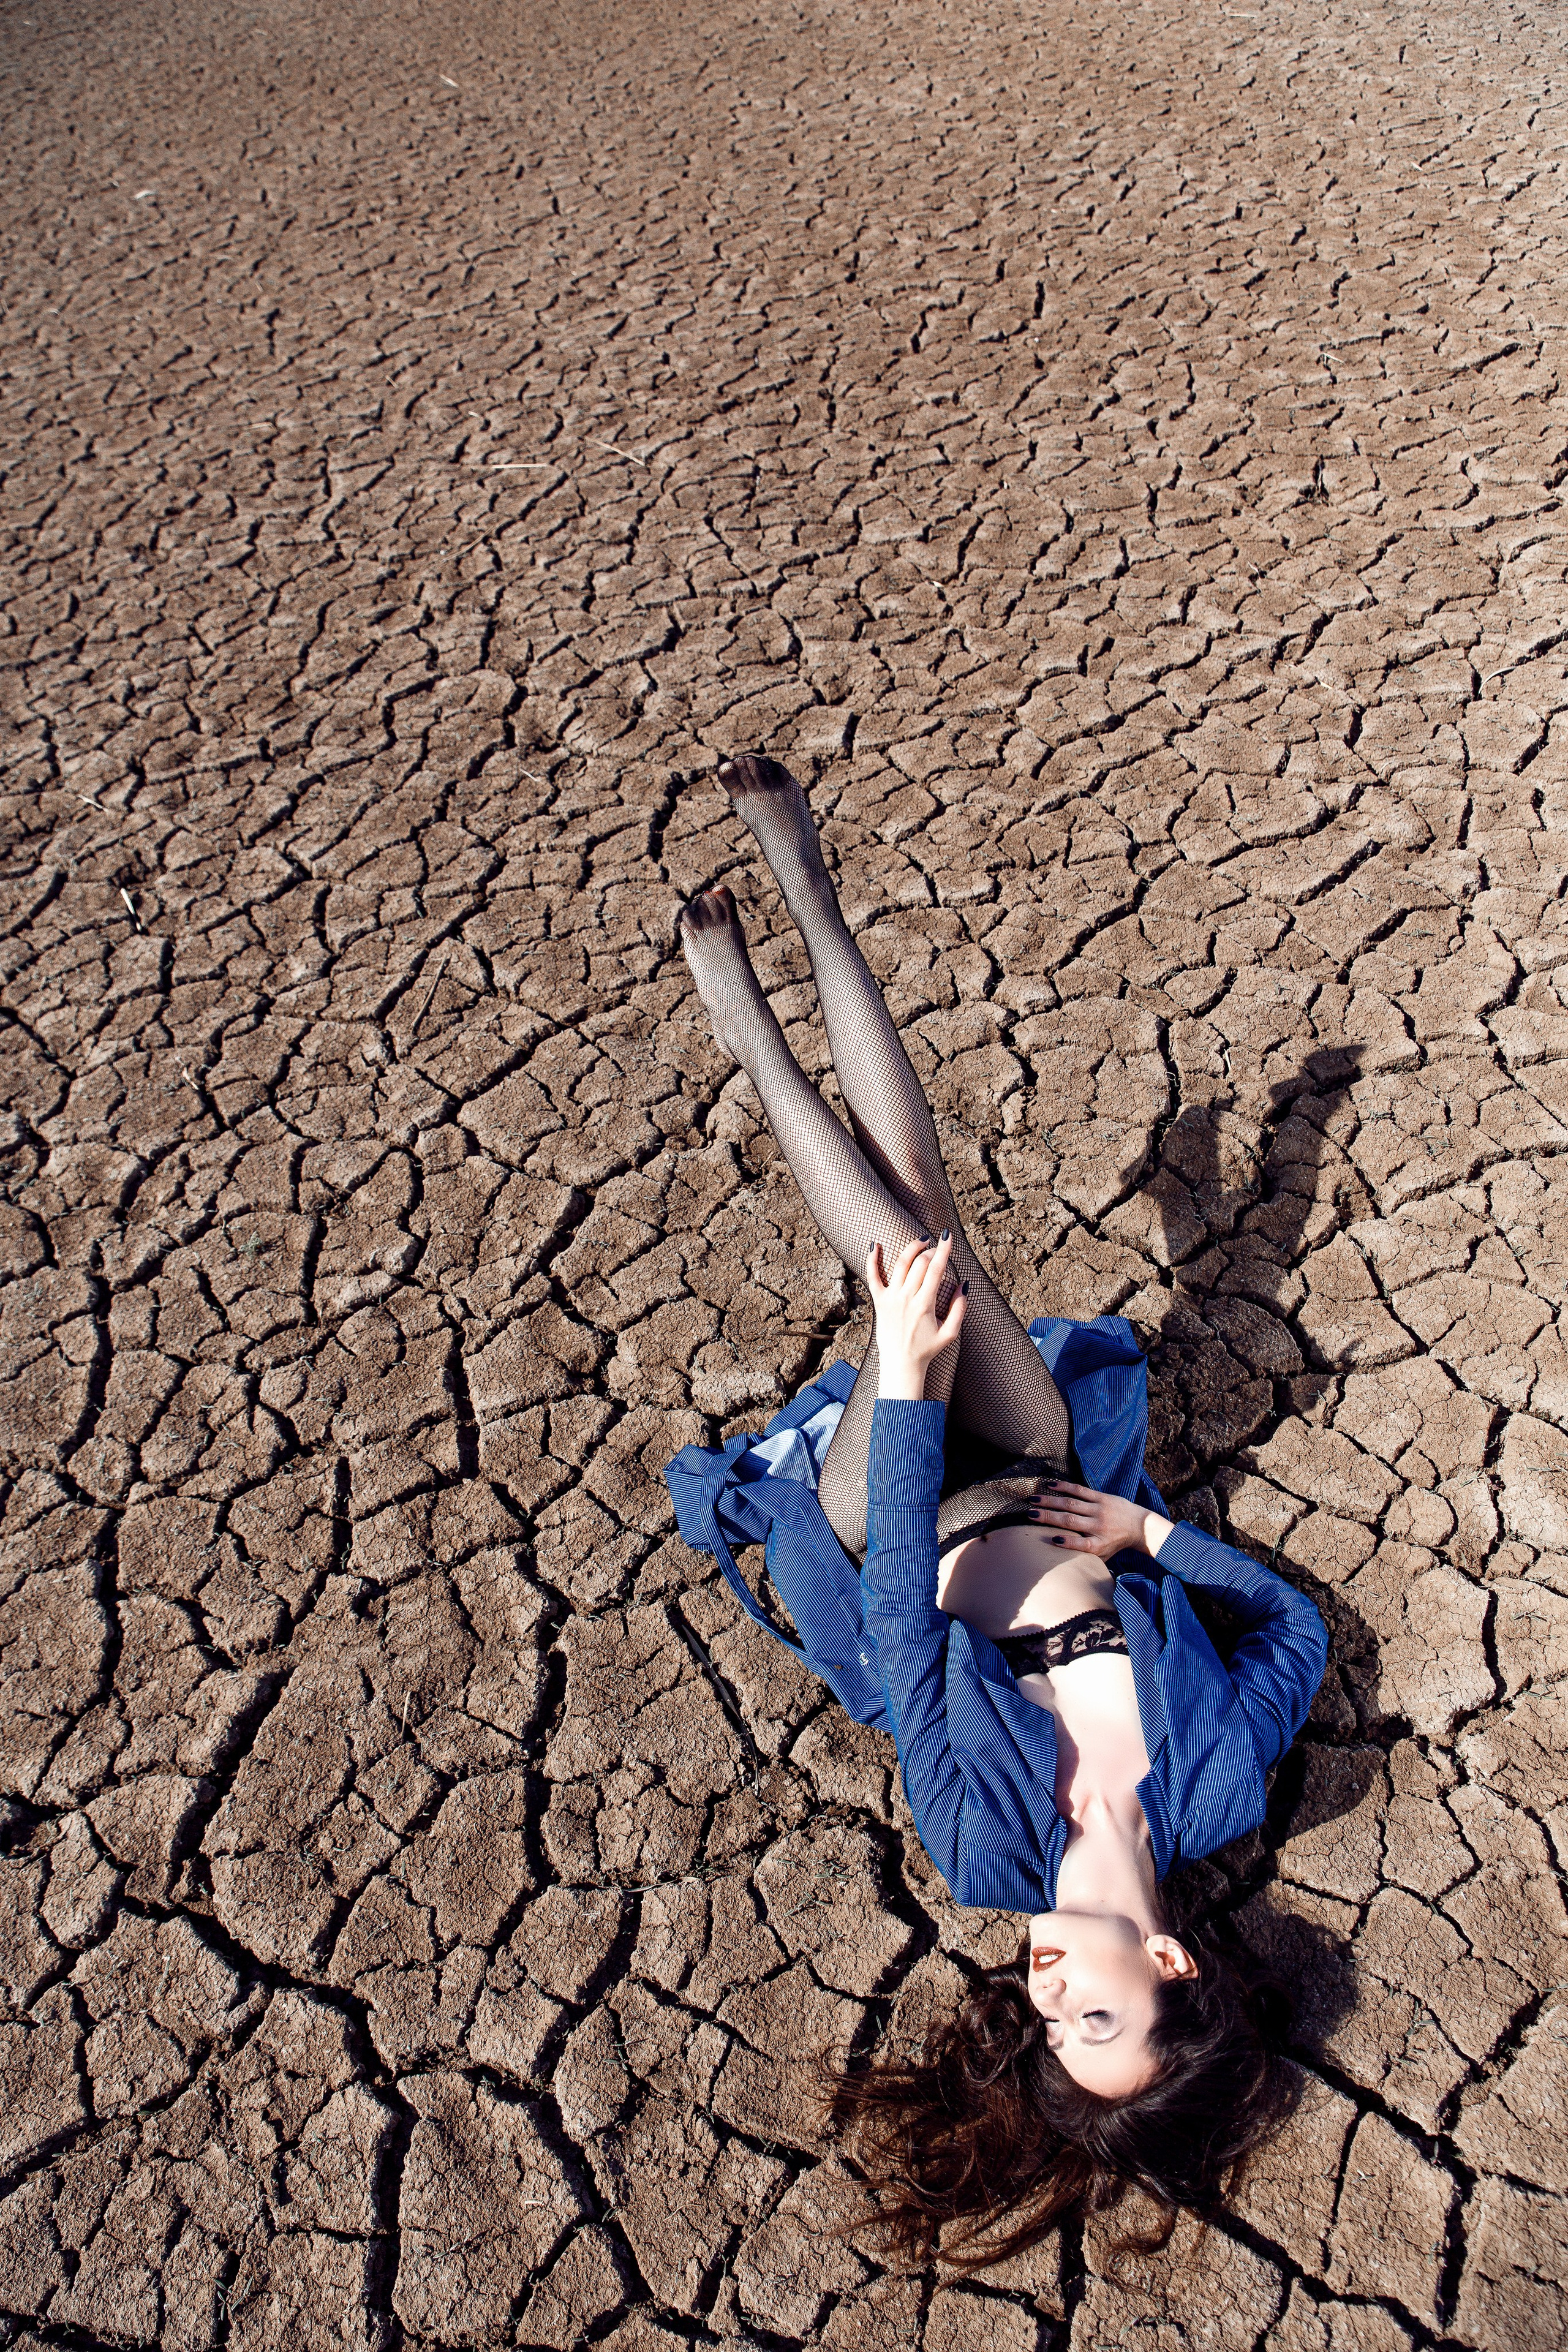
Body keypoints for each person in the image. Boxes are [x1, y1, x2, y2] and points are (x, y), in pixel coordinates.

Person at [664, 753, 1329, 2264]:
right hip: (1042, 1478)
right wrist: (1149, 1541)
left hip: (892, 1518)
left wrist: (900, 1397)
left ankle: (754, 1006)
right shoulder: (1219, 1781)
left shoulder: (979, 1855)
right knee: (928, 1232)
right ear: (1171, 1964)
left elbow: (899, 1617)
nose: (1044, 1993)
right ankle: (798, 910)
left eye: (1046, 2029)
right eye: (1093, 2010)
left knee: (911, 1284)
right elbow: (1290, 1623)